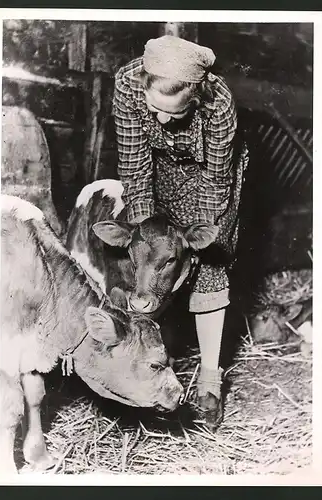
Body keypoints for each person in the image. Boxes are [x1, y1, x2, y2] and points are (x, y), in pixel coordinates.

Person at [112, 35, 248, 429]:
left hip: (210, 176)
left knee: (209, 268)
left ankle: (209, 381)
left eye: (174, 113)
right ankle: (151, 364)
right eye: (154, 108)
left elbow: (215, 181)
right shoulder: (126, 85)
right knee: (152, 260)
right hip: (157, 168)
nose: (162, 120)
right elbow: (134, 165)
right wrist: (145, 231)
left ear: (196, 93)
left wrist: (197, 241)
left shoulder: (219, 103)